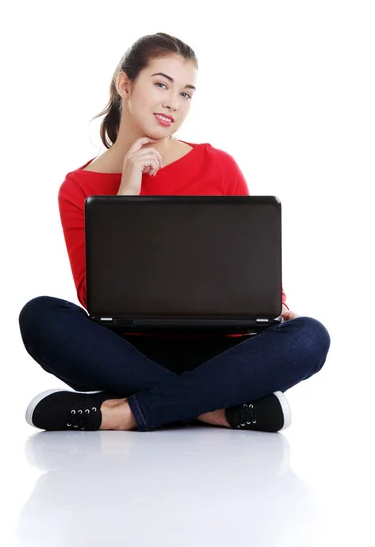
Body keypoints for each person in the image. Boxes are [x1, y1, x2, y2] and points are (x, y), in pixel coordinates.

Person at [19, 32, 331, 434]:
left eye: (186, 93)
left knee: (310, 337)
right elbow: (92, 295)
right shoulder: (78, 187)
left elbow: (247, 260)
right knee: (40, 316)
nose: (173, 102)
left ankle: (125, 411)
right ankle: (216, 410)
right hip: (129, 350)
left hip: (221, 349)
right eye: (161, 84)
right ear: (125, 84)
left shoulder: (217, 165)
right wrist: (126, 191)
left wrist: (277, 302)